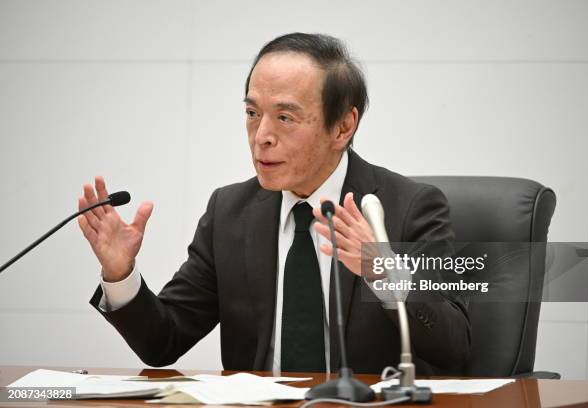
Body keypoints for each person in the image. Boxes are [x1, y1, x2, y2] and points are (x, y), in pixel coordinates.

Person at [79, 33, 470, 375]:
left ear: (343, 127)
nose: (261, 136)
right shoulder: (229, 212)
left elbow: (455, 346)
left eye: (285, 117)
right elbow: (162, 342)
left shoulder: (407, 209)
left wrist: (383, 271)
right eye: (252, 113)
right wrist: (120, 274)